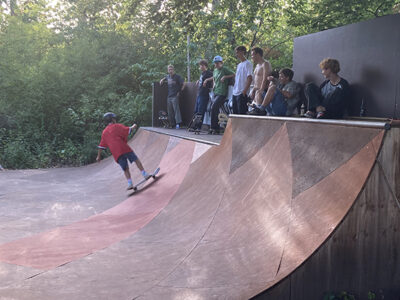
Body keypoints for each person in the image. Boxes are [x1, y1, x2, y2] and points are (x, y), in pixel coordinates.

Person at [96, 112, 149, 190]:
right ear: (113, 119)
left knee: (125, 168)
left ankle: (130, 183)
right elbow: (127, 129)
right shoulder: (117, 126)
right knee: (136, 160)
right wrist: (134, 126)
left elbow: (101, 146)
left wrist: (98, 156)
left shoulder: (104, 132)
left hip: (116, 153)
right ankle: (145, 174)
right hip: (124, 148)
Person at [203, 55, 235, 134]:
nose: (216, 65)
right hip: (216, 92)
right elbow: (214, 78)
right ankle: (215, 127)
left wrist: (225, 77)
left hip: (222, 93)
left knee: (214, 107)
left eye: (217, 63)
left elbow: (234, 74)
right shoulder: (215, 70)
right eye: (215, 63)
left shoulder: (224, 69)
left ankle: (214, 128)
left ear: (221, 63)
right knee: (212, 108)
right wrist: (213, 85)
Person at [232, 46, 253, 114]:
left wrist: (244, 91)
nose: (237, 54)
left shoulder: (248, 63)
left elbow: (249, 77)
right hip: (235, 92)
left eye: (238, 52)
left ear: (242, 52)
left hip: (242, 93)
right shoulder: (239, 65)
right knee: (235, 113)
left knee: (242, 113)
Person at [193, 59, 213, 131]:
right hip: (199, 93)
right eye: (200, 65)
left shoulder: (208, 72)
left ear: (205, 66)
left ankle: (198, 127)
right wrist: (199, 80)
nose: (200, 67)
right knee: (196, 110)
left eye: (202, 65)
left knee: (201, 111)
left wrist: (207, 80)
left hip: (204, 94)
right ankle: (194, 126)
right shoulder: (202, 74)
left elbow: (214, 77)